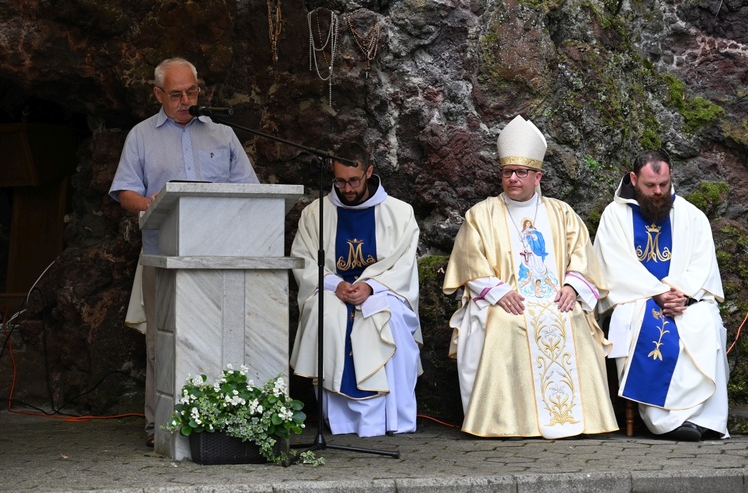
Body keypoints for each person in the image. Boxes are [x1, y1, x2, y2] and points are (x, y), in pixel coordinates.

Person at [109, 57, 259, 446]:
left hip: (220, 258)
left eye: (191, 91)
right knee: (162, 343)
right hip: (164, 256)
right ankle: (158, 426)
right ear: (158, 94)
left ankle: (222, 421)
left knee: (223, 337)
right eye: (175, 94)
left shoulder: (223, 135)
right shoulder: (141, 136)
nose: (185, 100)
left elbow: (250, 190)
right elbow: (124, 192)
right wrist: (149, 203)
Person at [442, 115, 618, 439]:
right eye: (507, 172)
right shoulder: (481, 214)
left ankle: (583, 419)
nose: (512, 179)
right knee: (505, 323)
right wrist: (497, 292)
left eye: (521, 172)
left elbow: (583, 256)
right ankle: (506, 421)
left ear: (538, 176)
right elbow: (469, 261)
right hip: (508, 299)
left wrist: (571, 286)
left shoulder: (561, 212)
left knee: (575, 320)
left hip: (554, 296)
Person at [594, 150, 729, 441]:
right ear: (633, 179)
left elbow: (702, 263)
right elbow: (613, 267)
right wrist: (656, 293)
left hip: (683, 298)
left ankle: (707, 420)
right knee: (642, 322)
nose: (658, 192)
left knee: (707, 321)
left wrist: (684, 294)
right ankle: (666, 422)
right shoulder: (614, 216)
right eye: (650, 185)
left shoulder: (691, 215)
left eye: (664, 185)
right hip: (638, 299)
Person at [289, 144, 422, 437]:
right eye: (340, 182)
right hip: (331, 289)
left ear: (369, 172)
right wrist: (336, 284)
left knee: (388, 317)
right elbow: (303, 260)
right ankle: (341, 421)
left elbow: (404, 266)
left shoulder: (400, 213)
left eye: (354, 181)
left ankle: (391, 419)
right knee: (326, 315)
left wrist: (370, 286)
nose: (347, 189)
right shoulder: (315, 213)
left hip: (382, 291)